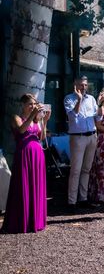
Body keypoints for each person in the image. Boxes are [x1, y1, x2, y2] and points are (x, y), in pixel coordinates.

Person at [2, 94, 49, 233]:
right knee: (22, 185)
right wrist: (33, 115)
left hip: (37, 156)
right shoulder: (16, 118)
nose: (33, 106)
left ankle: (35, 220)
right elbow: (21, 130)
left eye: (34, 104)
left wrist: (44, 121)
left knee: (36, 185)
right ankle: (21, 221)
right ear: (23, 105)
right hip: (24, 155)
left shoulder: (36, 120)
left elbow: (42, 137)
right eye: (30, 104)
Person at [64, 76, 100, 206]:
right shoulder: (69, 98)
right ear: (75, 85)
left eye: (85, 85)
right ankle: (71, 201)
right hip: (78, 137)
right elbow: (73, 117)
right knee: (75, 170)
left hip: (92, 136)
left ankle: (83, 198)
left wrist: (101, 105)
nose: (83, 87)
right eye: (81, 85)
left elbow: (97, 116)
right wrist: (79, 100)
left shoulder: (91, 99)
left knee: (86, 169)